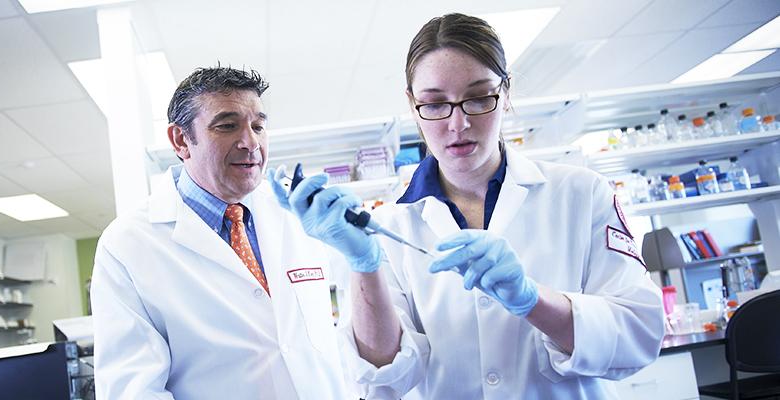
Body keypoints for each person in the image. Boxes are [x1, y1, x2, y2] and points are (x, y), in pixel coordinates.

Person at [270, 13, 664, 399]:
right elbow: (384, 380)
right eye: (435, 104)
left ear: (506, 94)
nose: (457, 124)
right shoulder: (390, 225)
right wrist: (365, 266)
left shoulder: (581, 194)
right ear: (412, 106)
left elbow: (639, 334)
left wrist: (532, 299)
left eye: (478, 99)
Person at [91, 66, 347, 399]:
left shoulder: (296, 214)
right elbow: (133, 391)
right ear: (182, 140)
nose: (250, 142)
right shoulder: (127, 245)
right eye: (227, 126)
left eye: (258, 126)